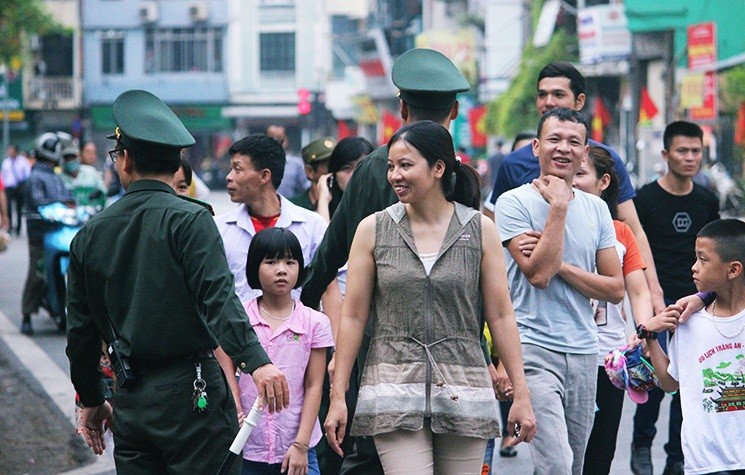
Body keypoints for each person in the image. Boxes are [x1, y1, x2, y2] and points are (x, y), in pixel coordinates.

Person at [65, 89, 289, 474]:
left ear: (126, 160)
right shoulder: (190, 219)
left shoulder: (90, 234)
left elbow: (81, 333)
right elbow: (217, 301)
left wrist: (92, 399)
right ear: (176, 164)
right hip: (193, 396)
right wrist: (258, 362)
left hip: (130, 399)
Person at [324, 120, 536, 473]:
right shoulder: (372, 230)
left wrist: (522, 395)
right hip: (391, 383)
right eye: (391, 166)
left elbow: (500, 315)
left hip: (464, 384)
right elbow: (354, 316)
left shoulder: (479, 230)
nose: (395, 176)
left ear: (439, 168)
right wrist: (338, 396)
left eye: (405, 165)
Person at [300, 47, 470, 474]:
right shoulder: (456, 171)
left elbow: (331, 251)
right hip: (454, 351)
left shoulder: (377, 166)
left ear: (401, 106)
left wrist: (299, 307)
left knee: (372, 453)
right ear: (454, 109)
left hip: (381, 344)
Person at [494, 108, 624, 474]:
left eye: (573, 142)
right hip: (533, 350)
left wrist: (562, 265)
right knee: (556, 464)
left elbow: (615, 288)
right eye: (554, 139)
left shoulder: (598, 209)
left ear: (585, 153)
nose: (563, 148)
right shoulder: (513, 203)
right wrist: (560, 207)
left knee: (575, 465)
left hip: (585, 351)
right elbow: (537, 275)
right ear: (536, 147)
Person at [484, 62, 664, 316]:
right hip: (529, 310)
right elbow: (492, 228)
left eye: (558, 94)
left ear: (579, 101)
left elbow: (631, 228)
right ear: (537, 148)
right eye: (542, 94)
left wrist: (652, 290)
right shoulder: (513, 164)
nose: (548, 102)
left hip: (589, 313)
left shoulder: (605, 160)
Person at [630, 120, 720, 475]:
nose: (690, 157)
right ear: (666, 154)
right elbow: (636, 254)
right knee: (653, 380)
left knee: (687, 384)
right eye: (682, 151)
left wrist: (707, 297)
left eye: (696, 151)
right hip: (657, 303)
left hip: (698, 303)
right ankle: (640, 446)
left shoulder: (706, 200)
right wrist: (649, 301)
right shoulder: (645, 199)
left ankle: (676, 457)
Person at [217, 228, 333, 475]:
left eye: (290, 262)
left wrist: (301, 445)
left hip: (295, 449)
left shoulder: (315, 322)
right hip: (247, 445)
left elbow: (314, 385)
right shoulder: (238, 320)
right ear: (253, 268)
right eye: (271, 261)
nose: (282, 269)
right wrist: (235, 407)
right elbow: (224, 365)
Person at [641, 218, 745, 475]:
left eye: (703, 259)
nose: (694, 267)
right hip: (705, 461)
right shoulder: (689, 322)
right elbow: (669, 383)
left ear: (733, 270)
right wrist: (651, 336)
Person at [573, 146, 654, 474]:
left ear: (603, 181)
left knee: (600, 454)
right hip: (560, 355)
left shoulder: (621, 232)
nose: (571, 181)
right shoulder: (545, 225)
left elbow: (638, 290)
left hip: (608, 361)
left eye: (580, 174)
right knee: (558, 455)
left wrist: (643, 332)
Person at [214, 134, 341, 317]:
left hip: (298, 341)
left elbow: (331, 289)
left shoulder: (312, 227)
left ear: (264, 175)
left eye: (237, 169)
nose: (229, 177)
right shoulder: (220, 229)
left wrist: (336, 344)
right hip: (237, 342)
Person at [20, 132, 76, 335]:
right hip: (40, 236)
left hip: (60, 233)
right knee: (37, 274)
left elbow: (69, 198)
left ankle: (60, 310)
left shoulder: (55, 176)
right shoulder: (36, 177)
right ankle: (26, 315)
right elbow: (38, 202)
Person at [316, 136, 375, 222]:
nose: (354, 175)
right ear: (333, 175)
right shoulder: (318, 213)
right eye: (347, 168)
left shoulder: (387, 210)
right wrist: (323, 200)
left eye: (361, 167)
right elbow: (322, 234)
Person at [290, 137, 335, 211]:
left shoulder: (345, 205)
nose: (334, 171)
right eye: (329, 166)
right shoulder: (294, 207)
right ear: (309, 171)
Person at [58, 138, 107, 204]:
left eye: (73, 157)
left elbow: (104, 192)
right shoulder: (59, 178)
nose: (70, 161)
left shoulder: (91, 172)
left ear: (78, 157)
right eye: (67, 158)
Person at [267, 124, 309, 198]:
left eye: (279, 138)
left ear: (286, 141)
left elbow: (305, 188)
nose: (275, 142)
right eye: (271, 138)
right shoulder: (258, 163)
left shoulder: (296, 164)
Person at [1, 143, 32, 236]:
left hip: (19, 187)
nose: (10, 152)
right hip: (9, 187)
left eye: (11, 150)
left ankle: (18, 228)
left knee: (19, 208)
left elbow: (27, 174)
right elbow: (3, 175)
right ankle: (10, 227)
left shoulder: (23, 161)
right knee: (8, 207)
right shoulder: (6, 162)